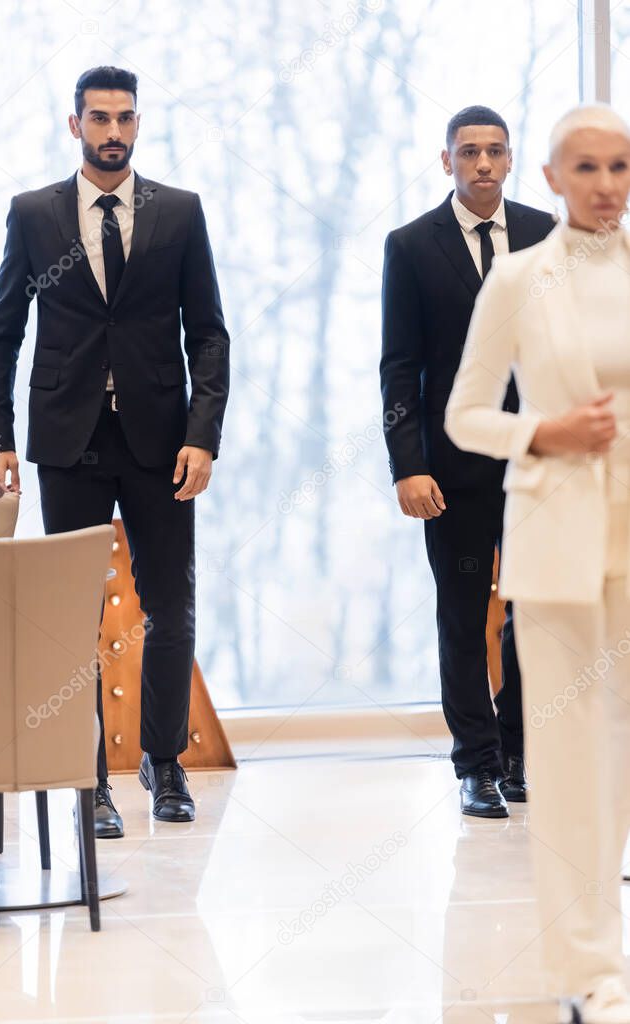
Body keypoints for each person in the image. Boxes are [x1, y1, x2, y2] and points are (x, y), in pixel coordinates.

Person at [0, 65, 230, 839]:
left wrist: (202, 435)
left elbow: (209, 334)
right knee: (69, 617)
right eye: (99, 118)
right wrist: (0, 441)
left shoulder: (178, 213)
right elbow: (2, 333)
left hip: (162, 444)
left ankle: (165, 761)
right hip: (68, 439)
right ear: (74, 124)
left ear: (138, 124)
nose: (112, 132)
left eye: (124, 118)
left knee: (171, 609)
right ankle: (88, 781)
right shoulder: (33, 214)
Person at [446, 104, 630, 1022]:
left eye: (619, 168)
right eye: (585, 168)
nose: (605, 186)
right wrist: (544, 433)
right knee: (565, 760)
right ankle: (588, 968)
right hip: (556, 541)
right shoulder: (519, 279)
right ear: (549, 179)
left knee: (623, 757)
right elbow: (464, 416)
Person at [380, 106, 554, 818]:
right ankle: (474, 765)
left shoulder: (548, 235)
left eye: (494, 152)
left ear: (510, 160)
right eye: (468, 153)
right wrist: (405, 466)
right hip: (449, 470)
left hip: (536, 461)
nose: (482, 164)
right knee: (461, 614)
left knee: (534, 613)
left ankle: (517, 753)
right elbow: (399, 367)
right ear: (445, 160)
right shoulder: (411, 245)